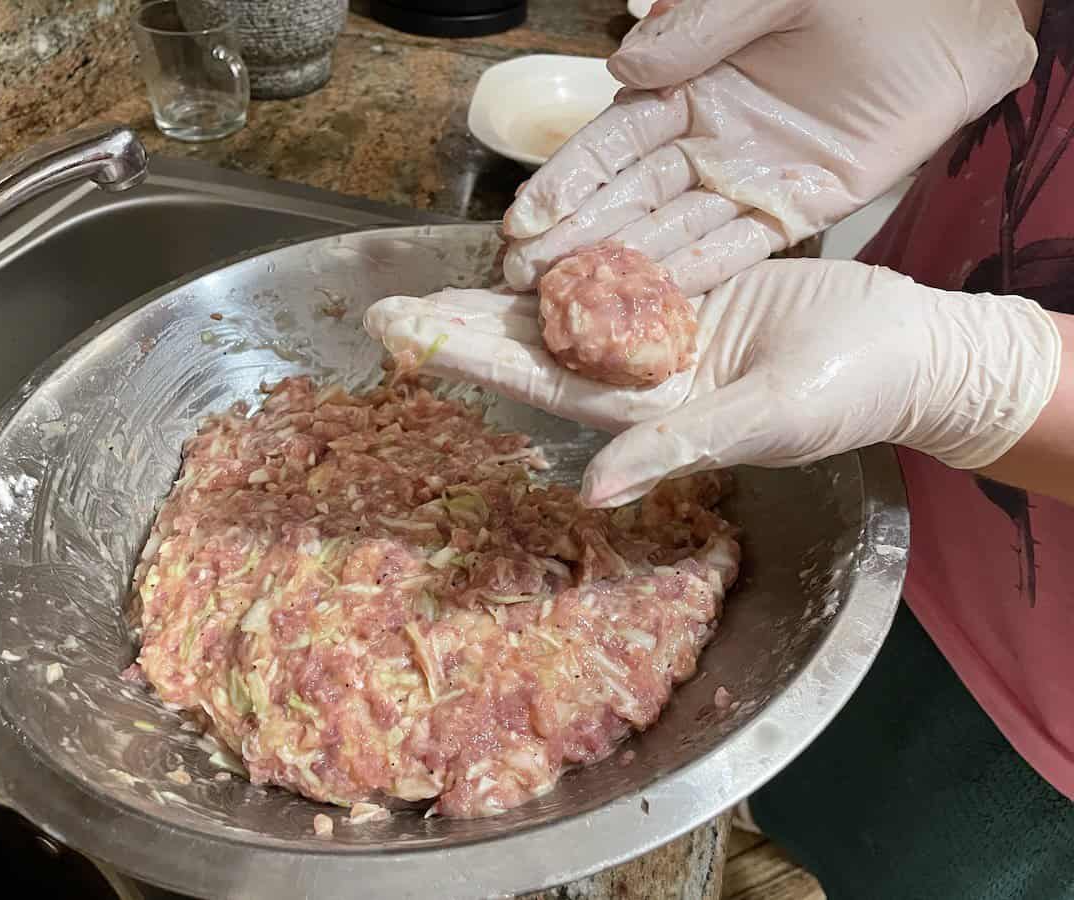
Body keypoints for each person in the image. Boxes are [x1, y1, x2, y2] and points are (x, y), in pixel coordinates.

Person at [365, 0, 1074, 896]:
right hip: (867, 389)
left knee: (910, 866)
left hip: (1041, 676)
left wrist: (982, 376)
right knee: (800, 789)